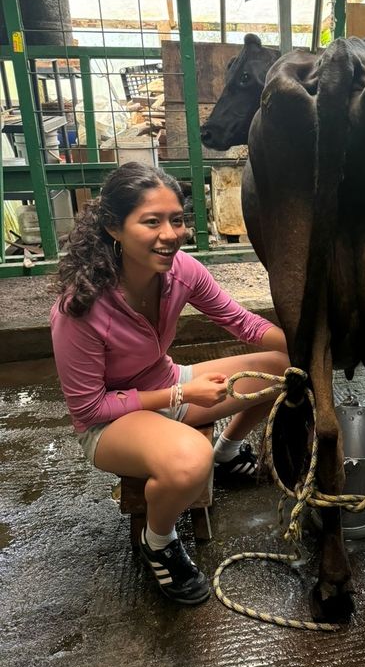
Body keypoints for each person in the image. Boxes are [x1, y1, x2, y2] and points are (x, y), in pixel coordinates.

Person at [51, 161, 290, 606]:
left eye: (176, 219)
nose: (170, 233)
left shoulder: (183, 271)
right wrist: (181, 394)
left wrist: (309, 345)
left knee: (283, 368)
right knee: (186, 461)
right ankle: (158, 542)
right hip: (111, 423)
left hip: (166, 385)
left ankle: (228, 453)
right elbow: (88, 410)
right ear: (113, 228)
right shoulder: (79, 307)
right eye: (151, 221)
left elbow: (241, 322)